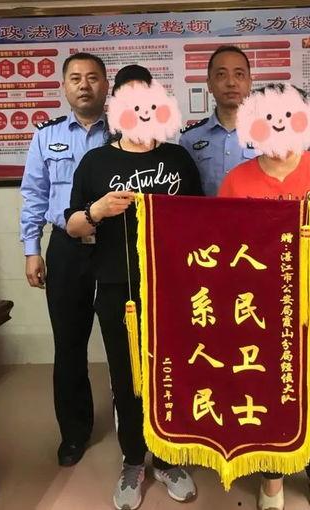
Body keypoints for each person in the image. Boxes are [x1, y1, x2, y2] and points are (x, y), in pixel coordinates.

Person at [219, 83, 310, 510]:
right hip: (260, 309)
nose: (278, 125)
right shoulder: (237, 179)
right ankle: (272, 476)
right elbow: (221, 245)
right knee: (266, 390)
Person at [65, 64, 202, 510]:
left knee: (172, 373)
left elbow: (202, 223)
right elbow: (72, 225)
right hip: (117, 289)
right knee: (127, 378)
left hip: (174, 288)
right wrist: (97, 210)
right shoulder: (96, 162)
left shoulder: (178, 159)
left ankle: (167, 457)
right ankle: (133, 459)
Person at [20, 52, 109, 467]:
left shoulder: (125, 131)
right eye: (76, 78)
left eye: (92, 77)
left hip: (115, 247)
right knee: (69, 344)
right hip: (67, 250)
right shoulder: (46, 136)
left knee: (128, 340)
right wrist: (31, 250)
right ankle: (74, 432)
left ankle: (133, 422)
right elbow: (34, 195)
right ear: (64, 87)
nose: (84, 85)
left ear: (106, 85)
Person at [179, 45, 256, 195]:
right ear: (209, 84)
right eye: (221, 75)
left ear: (249, 83)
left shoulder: (269, 135)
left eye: (239, 74)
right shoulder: (190, 138)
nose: (231, 83)